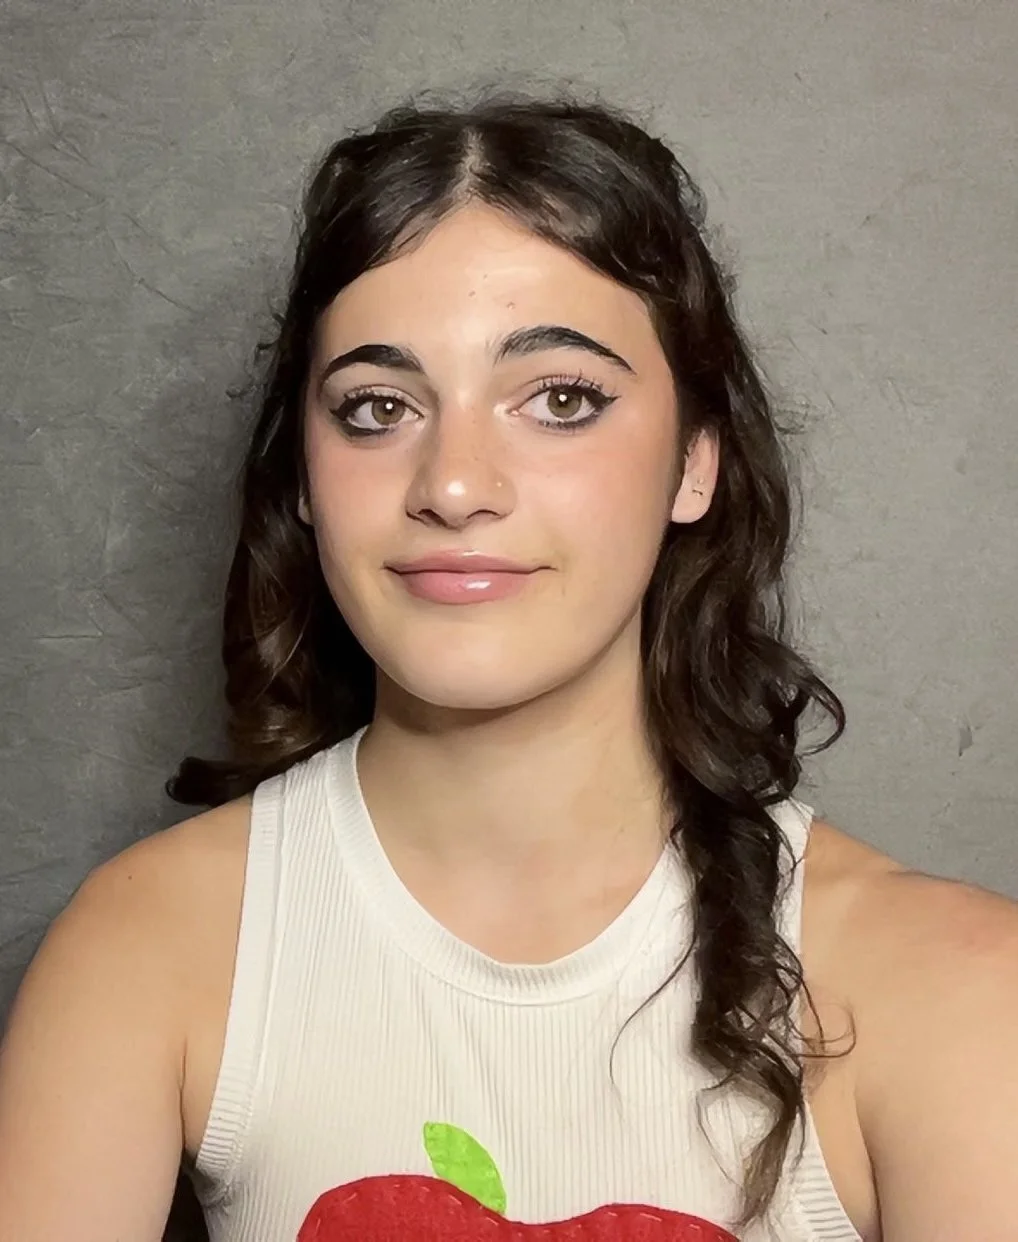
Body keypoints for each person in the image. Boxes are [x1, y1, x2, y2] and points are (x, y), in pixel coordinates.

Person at [1, 87, 1015, 1242]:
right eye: (378, 407)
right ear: (303, 478)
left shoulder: (955, 986)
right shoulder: (150, 943)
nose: (453, 483)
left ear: (695, 463)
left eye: (561, 399)